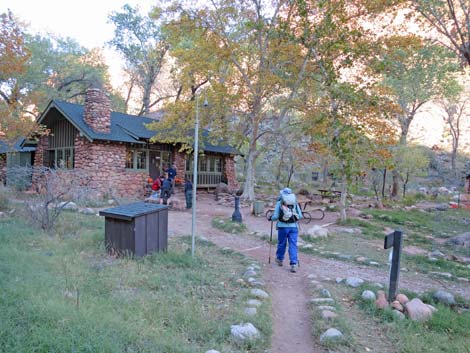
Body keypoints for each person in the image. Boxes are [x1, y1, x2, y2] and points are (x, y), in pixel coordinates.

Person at [270, 187, 303, 273]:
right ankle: (293, 264)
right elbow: (300, 216)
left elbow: (276, 216)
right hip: (294, 227)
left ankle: (280, 259)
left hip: (282, 227)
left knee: (282, 243)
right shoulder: (295, 202)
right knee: (293, 244)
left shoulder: (279, 203)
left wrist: (270, 218)